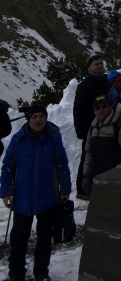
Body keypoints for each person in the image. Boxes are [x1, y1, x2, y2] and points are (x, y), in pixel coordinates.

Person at [0, 104, 71, 281]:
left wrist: (65, 189)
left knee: (44, 240)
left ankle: (41, 273)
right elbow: (8, 166)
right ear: (29, 120)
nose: (38, 120)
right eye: (34, 117)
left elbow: (62, 164)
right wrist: (6, 191)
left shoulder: (53, 138)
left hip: (48, 198)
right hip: (22, 198)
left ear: (46, 118)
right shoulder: (18, 139)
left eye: (41, 116)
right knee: (18, 241)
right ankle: (16, 274)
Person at [81, 95, 121, 195]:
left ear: (110, 107)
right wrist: (87, 175)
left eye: (104, 106)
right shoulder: (93, 127)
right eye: (97, 108)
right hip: (97, 179)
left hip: (116, 180)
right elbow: (88, 153)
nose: (101, 110)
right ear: (94, 111)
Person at [73, 54, 107, 199]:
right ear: (90, 67)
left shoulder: (106, 82)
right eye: (96, 64)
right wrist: (81, 131)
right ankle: (81, 189)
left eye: (101, 63)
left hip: (104, 126)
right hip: (89, 128)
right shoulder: (84, 86)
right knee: (87, 158)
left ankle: (96, 186)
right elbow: (78, 109)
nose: (99, 66)